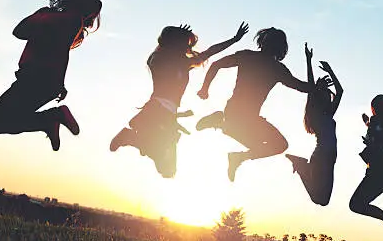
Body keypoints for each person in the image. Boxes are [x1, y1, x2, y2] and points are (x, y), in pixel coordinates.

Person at [110, 22, 249, 178]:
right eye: (184, 44)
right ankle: (130, 137)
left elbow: (210, 52)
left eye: (187, 44)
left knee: (168, 170)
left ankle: (135, 139)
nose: (187, 48)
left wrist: (234, 39)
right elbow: (154, 61)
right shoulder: (159, 59)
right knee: (165, 163)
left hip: (169, 112)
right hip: (157, 109)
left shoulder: (184, 62)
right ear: (173, 44)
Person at [0, 0, 102, 151]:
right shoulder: (64, 20)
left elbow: (23, 33)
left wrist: (41, 16)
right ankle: (49, 120)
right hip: (38, 80)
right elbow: (22, 34)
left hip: (36, 79)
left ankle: (51, 118)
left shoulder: (68, 19)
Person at [195, 27, 311, 182]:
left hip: (241, 115)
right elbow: (304, 87)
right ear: (281, 48)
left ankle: (233, 145)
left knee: (268, 145)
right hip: (245, 117)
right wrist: (311, 69)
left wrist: (205, 88)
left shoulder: (248, 57)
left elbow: (216, 64)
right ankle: (224, 127)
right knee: (279, 145)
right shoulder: (277, 69)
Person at [285, 43, 342, 206]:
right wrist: (308, 61)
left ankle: (301, 164)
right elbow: (311, 87)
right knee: (320, 200)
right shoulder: (315, 113)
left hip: (329, 158)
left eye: (327, 92)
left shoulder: (328, 112)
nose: (328, 95)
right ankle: (301, 164)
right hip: (322, 156)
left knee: (322, 199)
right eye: (324, 92)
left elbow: (340, 92)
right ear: (318, 96)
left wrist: (330, 70)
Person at [349, 95, 383, 238]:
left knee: (356, 204)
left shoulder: (380, 123)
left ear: (376, 109)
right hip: (380, 173)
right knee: (357, 204)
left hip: (379, 172)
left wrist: (368, 122)